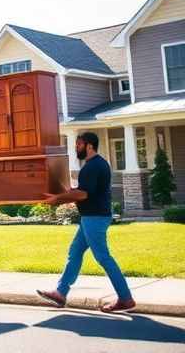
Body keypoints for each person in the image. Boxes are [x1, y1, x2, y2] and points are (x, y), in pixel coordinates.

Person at [36, 132, 136, 313]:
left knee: (103, 258)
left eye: (79, 144)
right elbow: (83, 190)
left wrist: (57, 198)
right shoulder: (98, 164)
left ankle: (125, 298)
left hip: (94, 218)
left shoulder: (92, 167)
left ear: (89, 145)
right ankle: (60, 292)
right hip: (91, 217)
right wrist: (64, 193)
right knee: (74, 252)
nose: (76, 148)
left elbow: (83, 194)